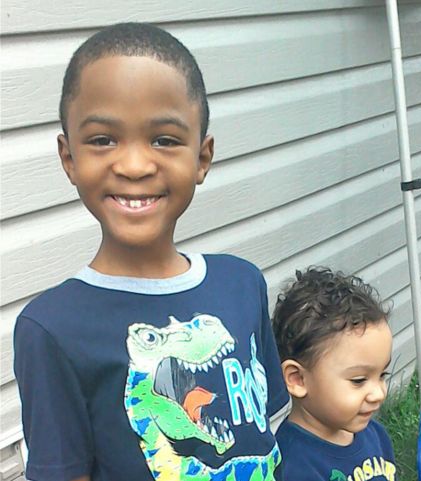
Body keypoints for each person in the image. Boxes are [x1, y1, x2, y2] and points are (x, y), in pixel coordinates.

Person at [13, 22, 289, 481]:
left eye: (164, 139)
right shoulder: (50, 329)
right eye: (103, 139)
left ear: (202, 158)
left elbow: (271, 434)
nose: (135, 165)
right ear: (69, 159)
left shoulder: (242, 283)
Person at [272, 267, 397, 481]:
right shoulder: (293, 467)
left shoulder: (375, 435)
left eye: (382, 375)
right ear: (297, 379)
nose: (379, 393)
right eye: (359, 380)